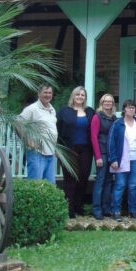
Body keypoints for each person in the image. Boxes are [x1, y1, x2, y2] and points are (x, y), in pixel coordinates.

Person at [56, 86, 95, 218]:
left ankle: (79, 206)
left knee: (83, 176)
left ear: (85, 97)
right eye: (77, 94)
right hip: (69, 149)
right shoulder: (64, 111)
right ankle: (69, 208)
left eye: (82, 95)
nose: (80, 97)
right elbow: (58, 130)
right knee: (70, 179)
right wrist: (58, 149)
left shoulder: (90, 112)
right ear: (73, 96)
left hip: (86, 149)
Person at [108, 99, 136, 221]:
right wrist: (113, 159)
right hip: (122, 158)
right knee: (120, 185)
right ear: (124, 109)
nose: (131, 109)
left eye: (133, 107)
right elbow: (111, 142)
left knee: (133, 186)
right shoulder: (118, 123)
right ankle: (116, 211)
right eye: (128, 107)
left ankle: (133, 211)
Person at [19, 84, 58, 184]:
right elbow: (18, 123)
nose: (48, 95)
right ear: (39, 93)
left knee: (50, 186)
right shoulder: (32, 109)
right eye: (45, 92)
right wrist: (28, 141)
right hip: (37, 152)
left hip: (50, 153)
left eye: (50, 93)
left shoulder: (52, 110)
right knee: (36, 185)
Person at [91, 93, 117, 220]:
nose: (108, 103)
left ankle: (106, 208)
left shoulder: (113, 117)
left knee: (109, 181)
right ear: (102, 103)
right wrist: (98, 156)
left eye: (110, 101)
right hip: (101, 153)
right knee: (100, 181)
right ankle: (97, 209)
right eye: (106, 101)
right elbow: (94, 137)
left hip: (111, 153)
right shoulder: (97, 117)